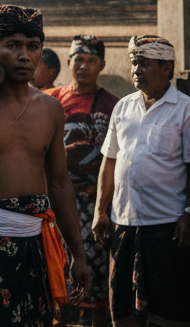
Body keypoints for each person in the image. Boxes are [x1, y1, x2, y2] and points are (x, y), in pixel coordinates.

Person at [0, 6, 91, 325]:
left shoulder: (50, 108)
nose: (24, 55)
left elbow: (58, 183)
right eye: (13, 46)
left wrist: (77, 253)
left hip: (34, 240)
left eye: (33, 46)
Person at [94, 35, 190, 327]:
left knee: (168, 310)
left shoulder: (188, 110)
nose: (136, 71)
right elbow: (110, 160)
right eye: (133, 64)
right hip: (123, 222)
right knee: (123, 307)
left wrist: (188, 215)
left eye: (144, 64)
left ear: (167, 68)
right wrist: (100, 211)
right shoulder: (123, 107)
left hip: (166, 225)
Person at [48, 35, 118, 326]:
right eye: (79, 59)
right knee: (58, 264)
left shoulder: (113, 104)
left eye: (91, 61)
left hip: (96, 201)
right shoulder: (51, 99)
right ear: (68, 62)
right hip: (57, 198)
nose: (84, 67)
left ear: (102, 65)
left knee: (97, 267)